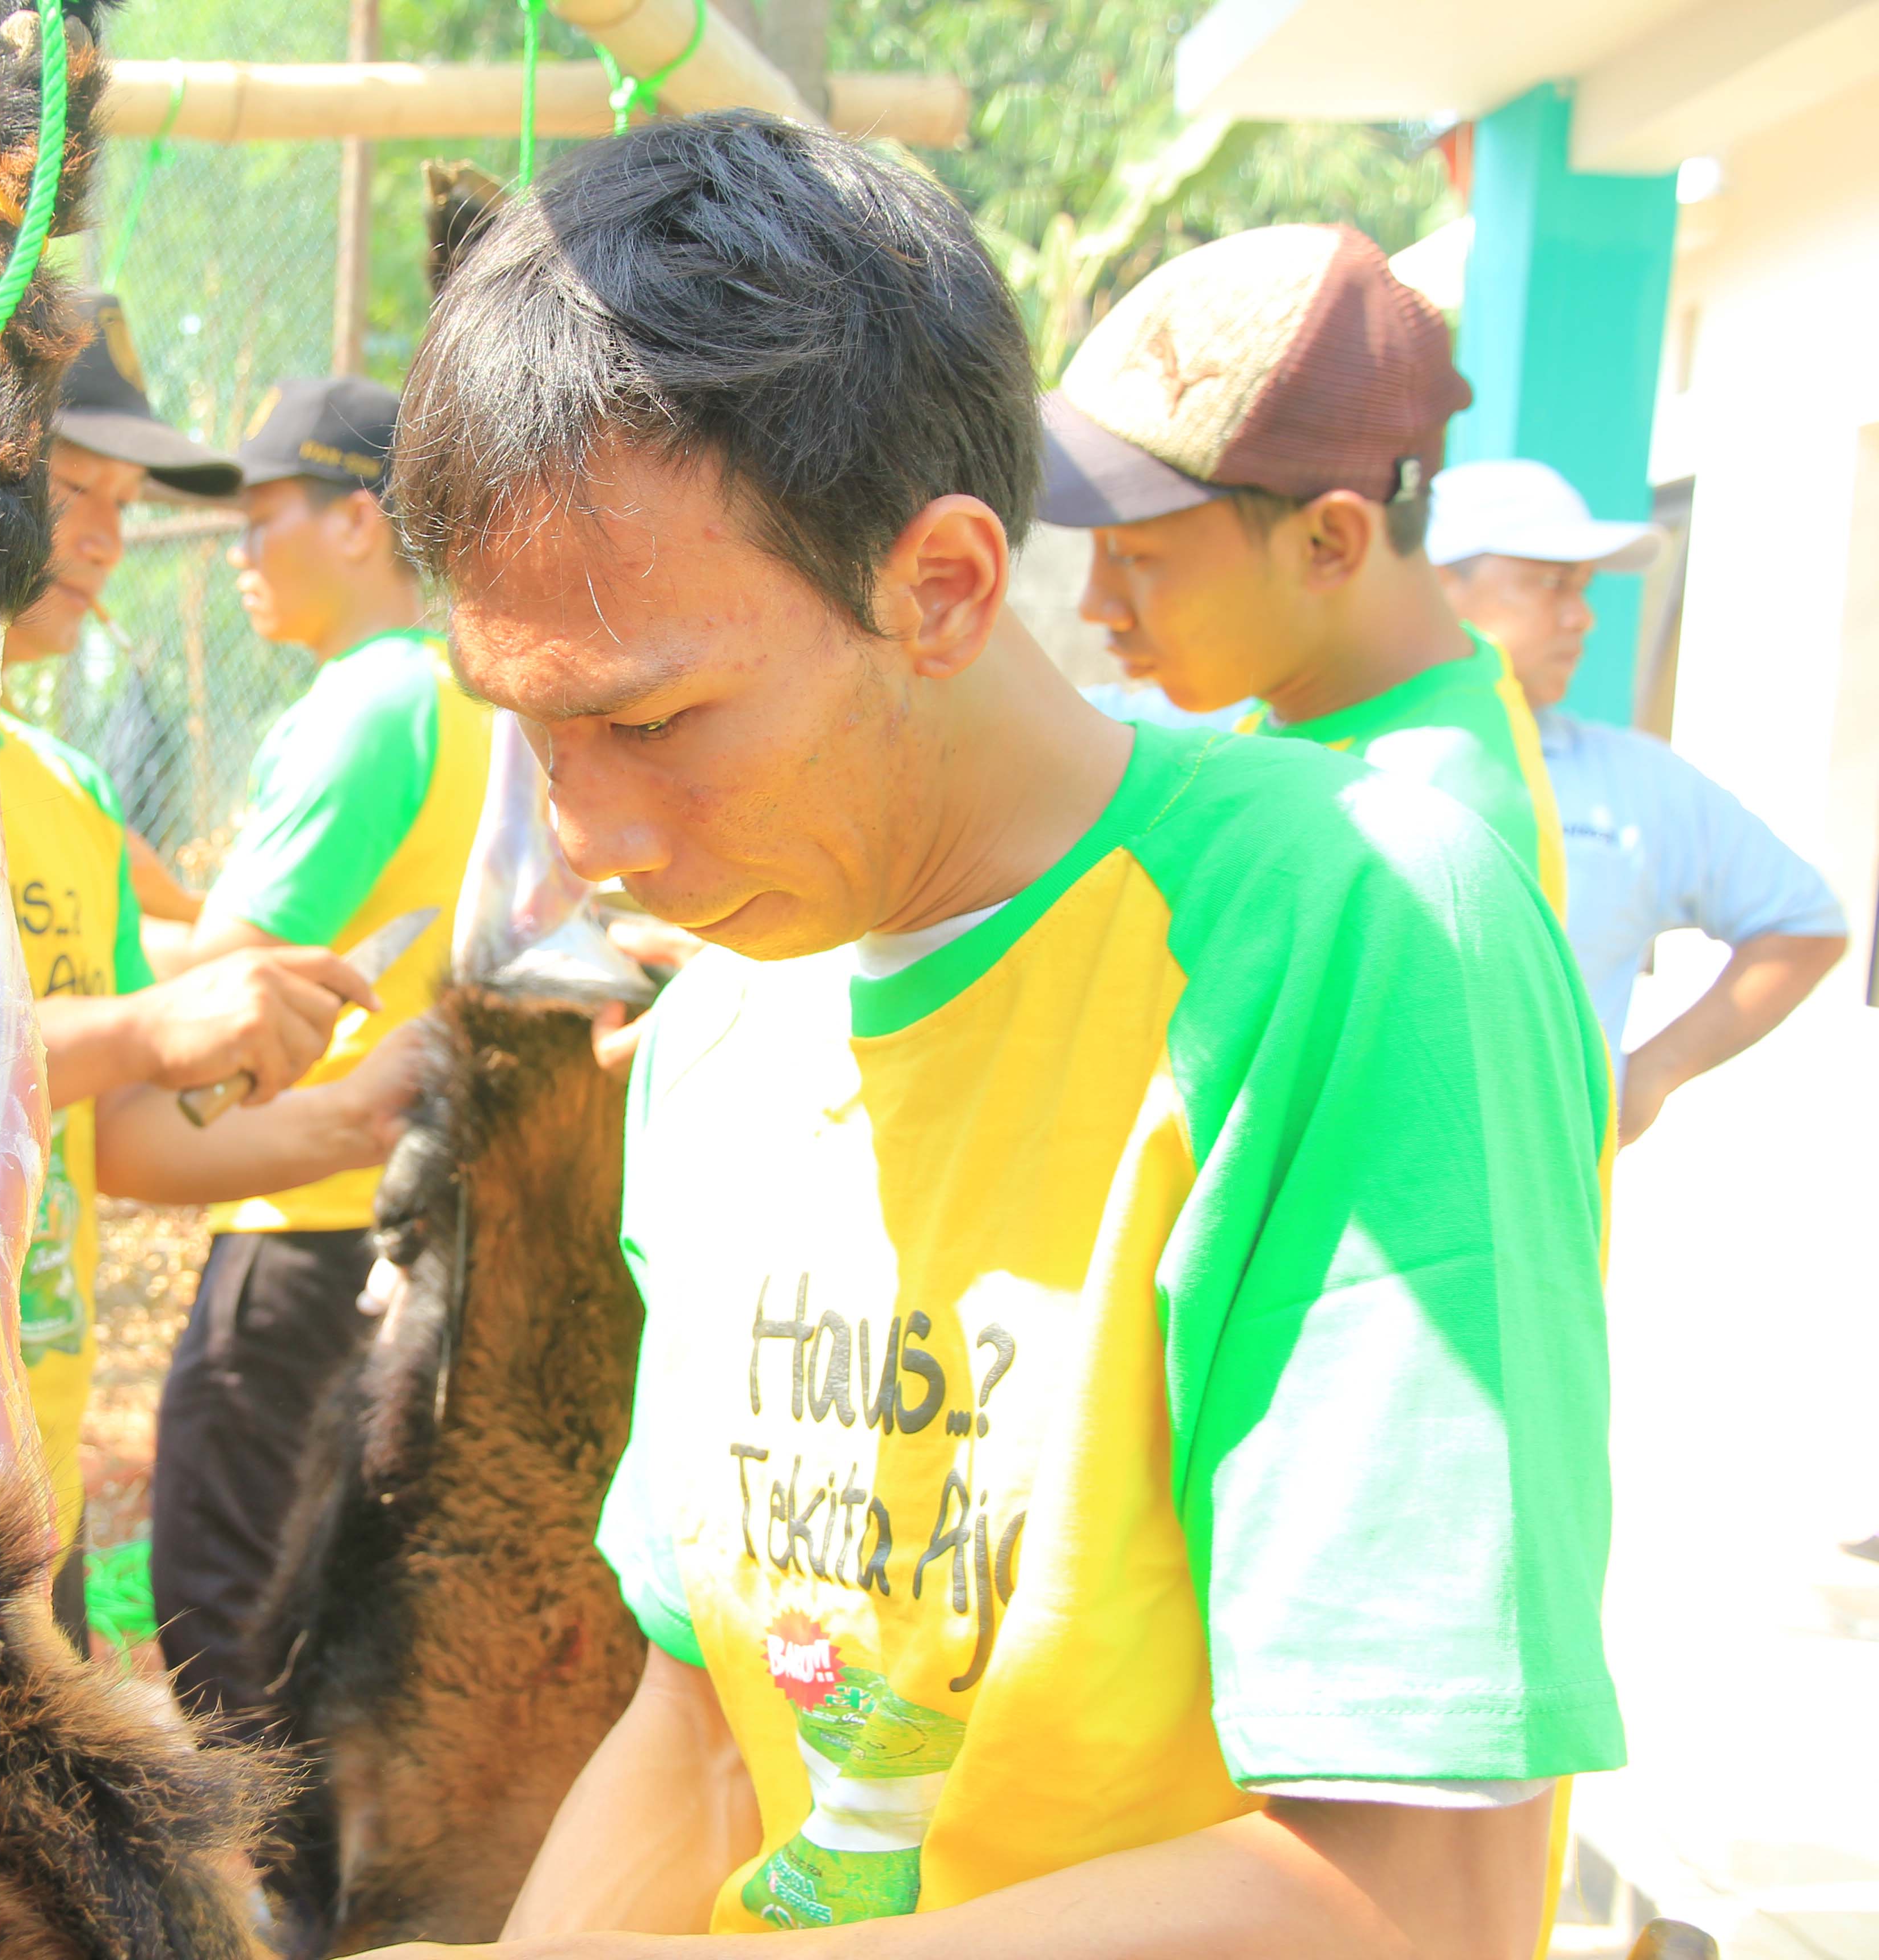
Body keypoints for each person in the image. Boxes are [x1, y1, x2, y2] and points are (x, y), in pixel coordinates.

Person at [388, 112, 1618, 1957]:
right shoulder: (720, 1030)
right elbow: (710, 1734)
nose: (589, 839)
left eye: (650, 724)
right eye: (530, 728)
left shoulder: (1347, 939)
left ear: (945, 587)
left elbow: (1413, 1895)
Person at [0, 289, 419, 1637]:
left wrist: (361, 1119)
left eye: (124, 499)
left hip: (15, 1501)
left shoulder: (65, 790)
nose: (108, 536)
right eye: (72, 487)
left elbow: (113, 1137)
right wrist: (141, 1031)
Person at [146, 374, 492, 1737]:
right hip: (418, 1217)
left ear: (358, 521)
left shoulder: (364, 706)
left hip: (299, 1221)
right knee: (357, 1628)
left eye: (262, 516)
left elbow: (226, 981)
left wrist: (62, 919)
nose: (238, 551)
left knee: (223, 1608)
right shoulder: (468, 694)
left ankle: (270, 1866)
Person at [1052, 225, 1568, 911]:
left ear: (1328, 544)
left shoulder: (1413, 843)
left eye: (1134, 556)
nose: (1097, 604)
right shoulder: (1324, 720)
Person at [1432, 458, 1848, 1142]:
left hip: (1550, 1202)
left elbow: (1804, 924)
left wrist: (1652, 1076)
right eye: (1549, 583)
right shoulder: (1322, 754)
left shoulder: (1632, 780)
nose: (1582, 617)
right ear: (1435, 587)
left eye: (1584, 587)